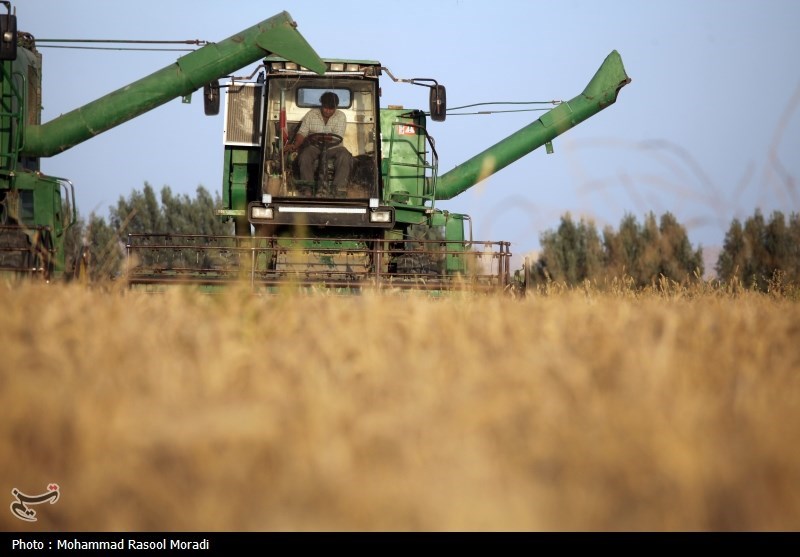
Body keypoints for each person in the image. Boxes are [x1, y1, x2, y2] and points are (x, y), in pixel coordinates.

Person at [285, 91, 352, 192]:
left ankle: (338, 189)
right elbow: (302, 132)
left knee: (345, 155)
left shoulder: (341, 116)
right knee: (304, 156)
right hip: (314, 147)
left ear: (336, 107)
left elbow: (337, 137)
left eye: (331, 108)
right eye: (326, 107)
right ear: (321, 105)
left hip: (334, 147)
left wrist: (316, 137)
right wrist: (296, 145)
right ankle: (307, 188)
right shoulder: (311, 115)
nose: (328, 111)